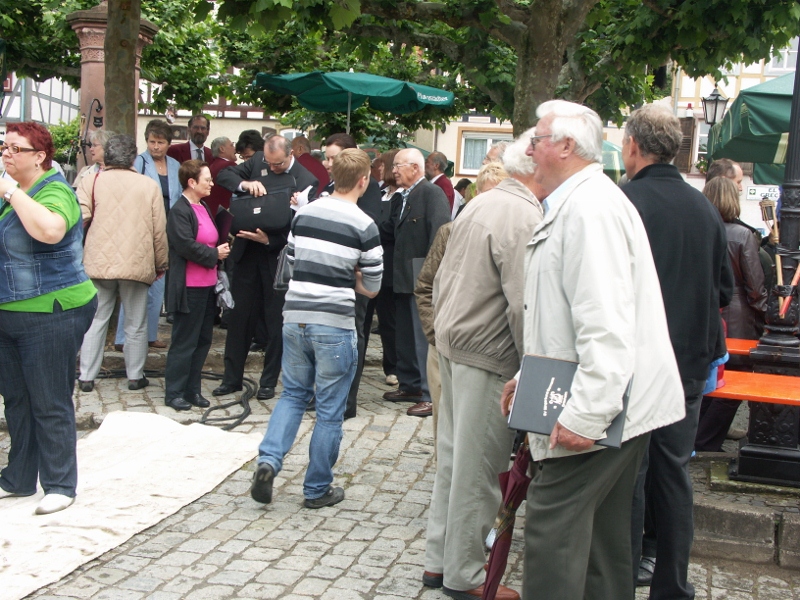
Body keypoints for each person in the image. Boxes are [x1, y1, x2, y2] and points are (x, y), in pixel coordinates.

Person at [499, 100, 685, 600]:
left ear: (565, 146)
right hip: (606, 402)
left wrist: (586, 415)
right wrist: (529, 376)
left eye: (537, 138)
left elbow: (605, 325)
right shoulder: (583, 202)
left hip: (600, 407)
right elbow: (562, 316)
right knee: (602, 544)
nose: (530, 147)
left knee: (553, 530)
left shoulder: (589, 208)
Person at [421, 133, 543, 600]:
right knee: (477, 469)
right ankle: (466, 575)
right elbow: (523, 304)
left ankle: (440, 563)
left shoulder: (483, 203)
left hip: (457, 347)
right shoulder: (521, 213)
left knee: (454, 462)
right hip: (485, 353)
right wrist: (533, 368)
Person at [621, 104, 733, 600]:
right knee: (673, 473)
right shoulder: (704, 208)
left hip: (637, 362)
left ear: (633, 146)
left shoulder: (625, 203)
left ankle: (620, 578)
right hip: (688, 361)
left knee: (630, 476)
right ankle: (672, 584)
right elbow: (723, 290)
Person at [250, 148, 382, 508]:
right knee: (329, 409)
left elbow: (291, 263)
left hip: (295, 317)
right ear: (363, 180)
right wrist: (349, 276)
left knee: (291, 395)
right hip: (334, 323)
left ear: (332, 175)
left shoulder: (303, 215)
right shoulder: (364, 225)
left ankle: (268, 461)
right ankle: (316, 488)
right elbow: (373, 285)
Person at [0, 122, 98, 515]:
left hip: (53, 310)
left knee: (49, 397)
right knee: (17, 399)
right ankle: (19, 478)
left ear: (38, 156)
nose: (6, 153)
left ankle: (60, 484)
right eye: (4, 146)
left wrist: (8, 189)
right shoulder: (12, 193)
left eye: (14, 148)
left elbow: (51, 231)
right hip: (9, 311)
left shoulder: (56, 190)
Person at [214, 134, 318, 400]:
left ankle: (269, 381)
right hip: (247, 253)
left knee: (275, 322)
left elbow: (304, 227)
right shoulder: (258, 160)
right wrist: (245, 184)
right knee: (239, 318)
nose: (272, 168)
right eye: (269, 164)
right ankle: (231, 378)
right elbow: (224, 176)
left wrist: (271, 240)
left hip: (277, 258)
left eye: (278, 164)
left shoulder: (306, 180)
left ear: (291, 153)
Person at [77, 134, 169, 393]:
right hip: (136, 263)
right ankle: (135, 376)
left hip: (98, 261)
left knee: (96, 320)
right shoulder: (149, 185)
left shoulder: (91, 181)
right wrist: (161, 263)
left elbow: (80, 219)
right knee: (136, 323)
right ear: (132, 158)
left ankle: (86, 376)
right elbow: (158, 230)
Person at [695, 176, 766, 452]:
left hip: (707, 309)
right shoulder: (742, 235)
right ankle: (705, 439)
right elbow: (755, 285)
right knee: (734, 381)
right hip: (738, 317)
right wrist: (764, 317)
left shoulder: (700, 229)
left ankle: (698, 436)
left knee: (711, 380)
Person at [380, 149, 450, 408]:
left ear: (415, 168)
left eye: (398, 165)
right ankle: (409, 385)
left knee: (422, 339)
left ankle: (428, 394)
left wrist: (432, 278)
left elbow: (440, 236)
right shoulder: (404, 195)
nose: (394, 170)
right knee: (405, 336)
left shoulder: (431, 194)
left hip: (422, 280)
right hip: (402, 277)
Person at [320, 133, 383, 418]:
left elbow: (368, 233)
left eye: (333, 157)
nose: (327, 163)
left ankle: (347, 401)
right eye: (327, 157)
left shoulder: (367, 190)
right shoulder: (328, 187)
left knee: (354, 337)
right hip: (327, 278)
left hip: (353, 278)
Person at [163, 160, 231, 411]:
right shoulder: (179, 210)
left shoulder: (202, 206)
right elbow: (184, 244)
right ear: (192, 182)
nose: (212, 183)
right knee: (184, 341)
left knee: (203, 340)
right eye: (207, 179)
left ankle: (192, 389)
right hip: (189, 287)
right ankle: (174, 392)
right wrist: (215, 254)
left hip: (207, 285)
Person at [115, 119, 180, 351]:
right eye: (152, 142)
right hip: (142, 229)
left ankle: (151, 334)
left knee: (158, 285)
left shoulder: (174, 165)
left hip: (166, 230)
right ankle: (122, 338)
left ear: (168, 144)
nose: (155, 147)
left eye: (160, 142)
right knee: (134, 285)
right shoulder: (138, 162)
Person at [206, 136, 236, 216]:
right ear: (222, 149)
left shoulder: (211, 166)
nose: (234, 148)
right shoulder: (229, 166)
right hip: (225, 214)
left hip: (210, 213)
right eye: (231, 145)